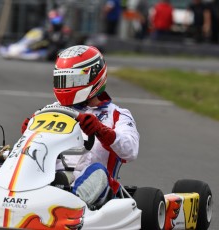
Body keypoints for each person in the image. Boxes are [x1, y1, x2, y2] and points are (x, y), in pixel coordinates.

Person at [21, 45, 140, 207]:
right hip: (48, 179)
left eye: (73, 80)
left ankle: (70, 204)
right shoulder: (50, 110)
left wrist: (101, 130)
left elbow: (130, 151)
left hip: (97, 192)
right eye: (62, 80)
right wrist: (28, 134)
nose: (66, 86)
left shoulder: (117, 114)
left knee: (97, 171)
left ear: (94, 77)